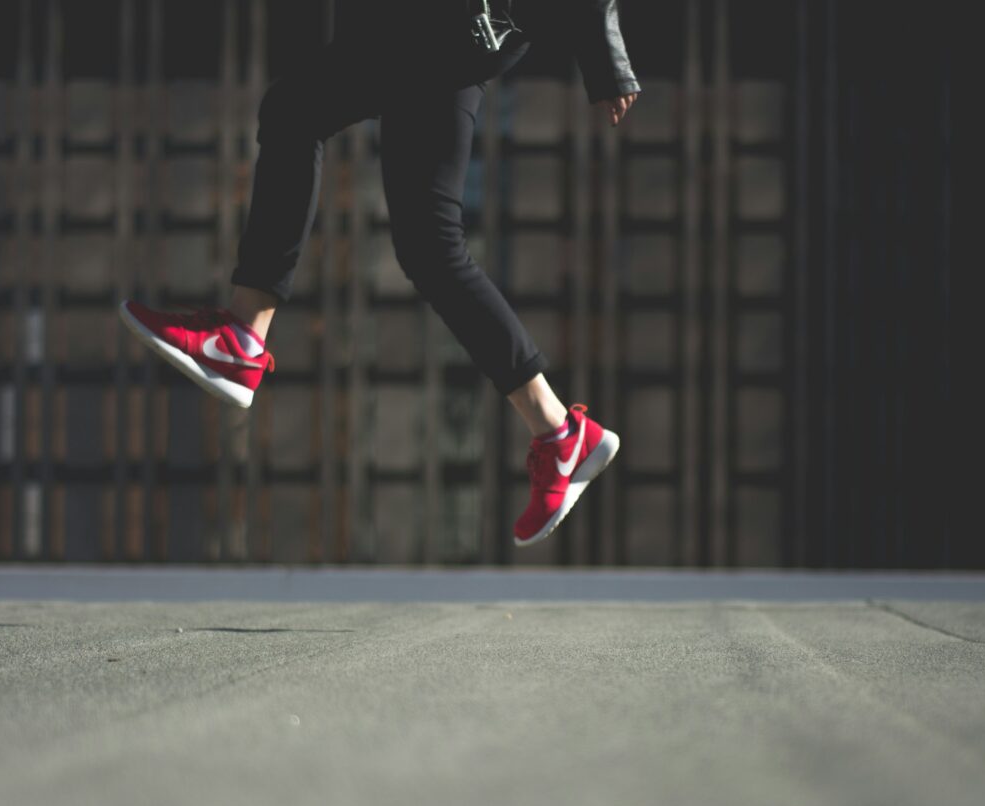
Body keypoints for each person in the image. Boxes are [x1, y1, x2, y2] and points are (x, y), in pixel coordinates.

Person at [119, 0, 641, 547]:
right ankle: (559, 432)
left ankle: (241, 337)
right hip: (449, 37)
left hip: (442, 25)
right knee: (430, 248)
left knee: (294, 111)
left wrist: (608, 62)